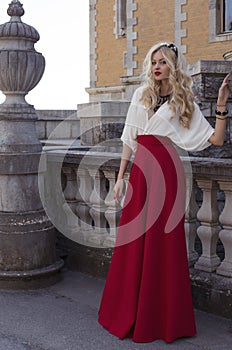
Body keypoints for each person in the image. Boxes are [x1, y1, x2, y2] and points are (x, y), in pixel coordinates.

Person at [98, 42, 231, 343]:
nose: (157, 67)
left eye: (163, 62)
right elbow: (129, 141)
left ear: (173, 66)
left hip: (168, 174)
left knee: (163, 244)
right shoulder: (140, 95)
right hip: (142, 171)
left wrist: (222, 103)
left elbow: (217, 140)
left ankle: (162, 319)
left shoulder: (183, 102)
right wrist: (121, 177)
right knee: (134, 241)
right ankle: (129, 312)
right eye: (154, 62)